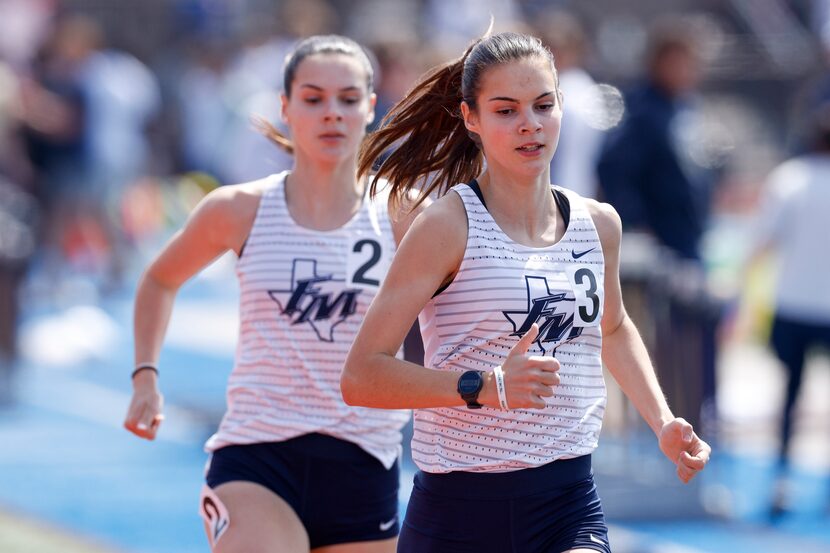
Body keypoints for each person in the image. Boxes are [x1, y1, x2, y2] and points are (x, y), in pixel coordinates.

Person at [342, 31, 711, 553]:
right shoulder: (446, 226)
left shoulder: (598, 224)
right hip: (457, 513)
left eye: (543, 105)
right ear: (471, 118)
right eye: (506, 110)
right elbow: (362, 376)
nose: (529, 125)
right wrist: (482, 385)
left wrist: (663, 420)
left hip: (567, 503)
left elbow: (613, 326)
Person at [124, 35, 424, 553]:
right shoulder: (238, 209)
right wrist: (145, 376)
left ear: (371, 107)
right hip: (257, 457)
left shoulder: (404, 213)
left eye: (348, 99)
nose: (332, 113)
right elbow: (160, 278)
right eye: (313, 98)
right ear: (285, 107)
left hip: (365, 462)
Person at [747, 103, 830, 518]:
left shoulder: (791, 179)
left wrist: (739, 295)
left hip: (794, 304)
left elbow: (762, 242)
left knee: (791, 394)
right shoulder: (792, 179)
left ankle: (781, 479)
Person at [596, 20, 712, 261]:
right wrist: (637, 223)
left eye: (689, 63)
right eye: (676, 63)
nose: (684, 71)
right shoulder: (643, 111)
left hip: (687, 235)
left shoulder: (686, 108)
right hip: (659, 242)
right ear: (656, 63)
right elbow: (612, 168)